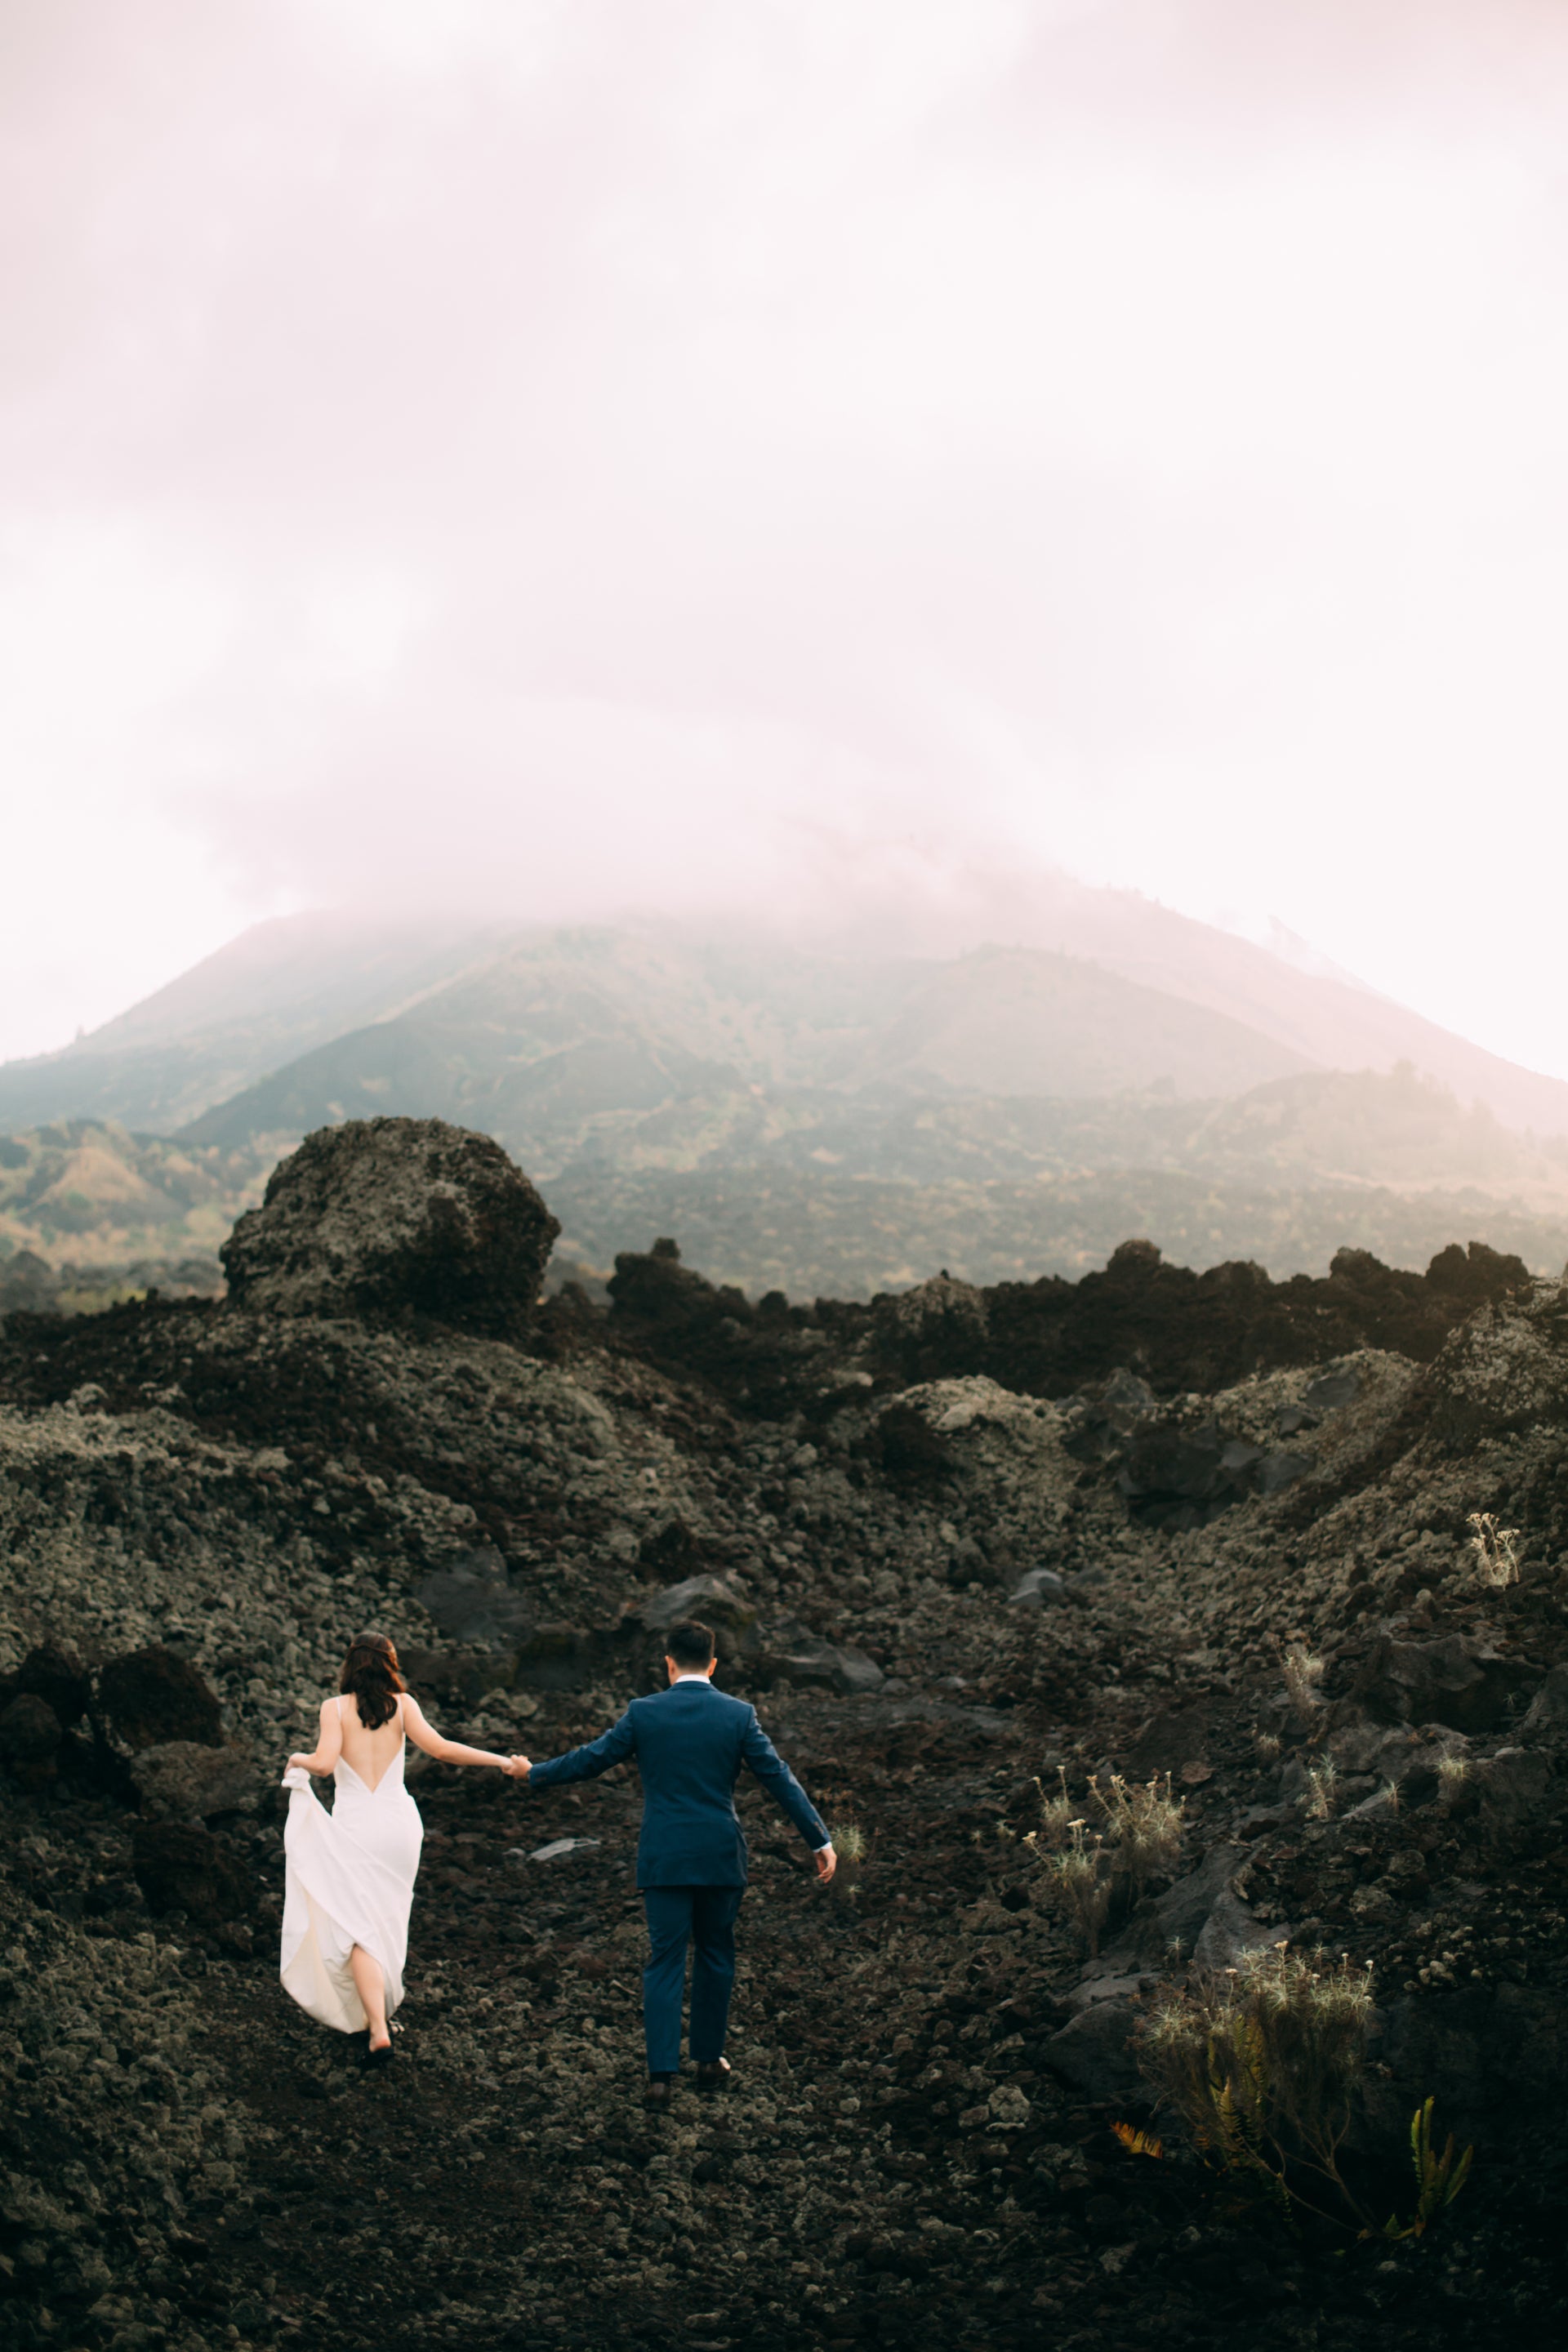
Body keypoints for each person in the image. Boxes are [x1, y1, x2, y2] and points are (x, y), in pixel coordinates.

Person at [514, 1617, 835, 2110]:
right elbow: (778, 1777)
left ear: (668, 1663)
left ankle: (661, 2077)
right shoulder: (739, 1715)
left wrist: (534, 1772)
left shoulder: (644, 1713)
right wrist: (819, 1838)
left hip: (665, 1855)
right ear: (713, 1664)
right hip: (720, 1855)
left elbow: (591, 1759)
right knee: (716, 1954)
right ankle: (708, 2061)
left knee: (664, 1960)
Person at [280, 1631, 527, 2063]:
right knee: (387, 1921)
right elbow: (442, 1750)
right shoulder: (404, 1706)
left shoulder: (333, 1708)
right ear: (389, 1663)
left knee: (357, 1926)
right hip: (399, 1827)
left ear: (350, 1665)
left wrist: (295, 1760)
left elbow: (322, 1765)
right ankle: (380, 2016)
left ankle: (377, 2026)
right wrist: (503, 1761)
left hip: (356, 1826)